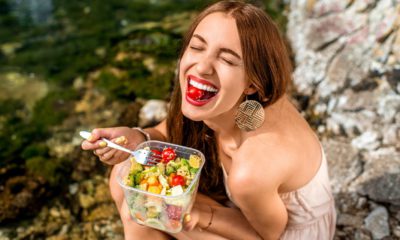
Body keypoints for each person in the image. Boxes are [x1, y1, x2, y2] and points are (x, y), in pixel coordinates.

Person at [81, 1, 336, 239]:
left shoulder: (252, 168)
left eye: (226, 59)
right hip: (246, 207)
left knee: (143, 211)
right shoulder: (241, 103)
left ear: (252, 83)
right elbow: (171, 130)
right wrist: (140, 138)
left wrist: (200, 214)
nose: (202, 67)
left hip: (281, 233)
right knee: (124, 177)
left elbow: (267, 235)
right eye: (197, 47)